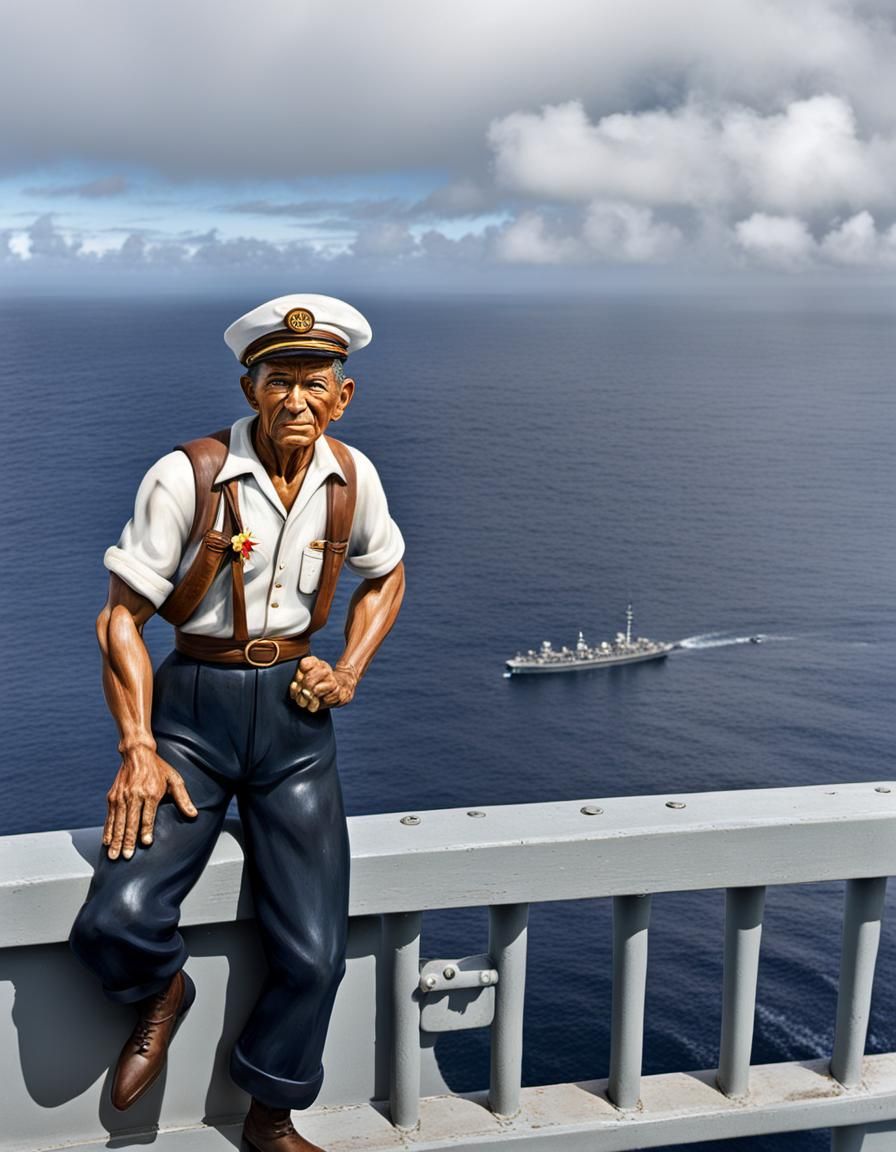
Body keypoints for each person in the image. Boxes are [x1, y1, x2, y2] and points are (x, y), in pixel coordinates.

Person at [69, 294, 406, 1152]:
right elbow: (120, 619)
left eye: (314, 385)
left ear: (344, 395)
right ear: (249, 386)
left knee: (317, 949)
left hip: (296, 724)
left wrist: (349, 668)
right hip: (191, 719)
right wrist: (139, 746)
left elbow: (387, 575)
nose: (296, 401)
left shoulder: (354, 479)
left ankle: (270, 1113)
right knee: (117, 915)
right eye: (278, 381)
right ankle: (160, 991)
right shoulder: (187, 475)